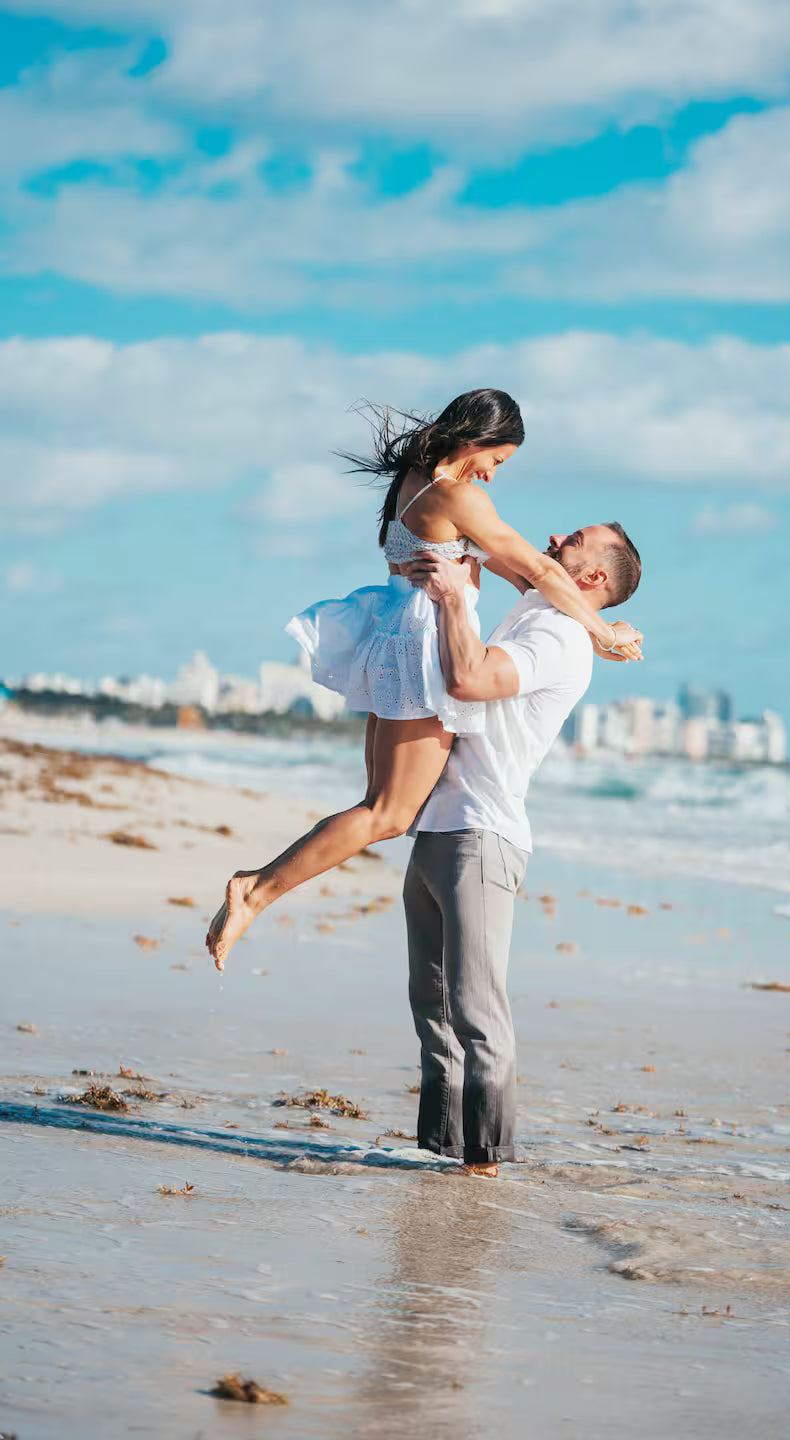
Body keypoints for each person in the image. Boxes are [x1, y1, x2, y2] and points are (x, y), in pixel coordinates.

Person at [205, 389, 641, 968]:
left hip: (394, 636)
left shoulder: (416, 479)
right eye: (498, 460)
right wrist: (606, 635)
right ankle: (254, 890)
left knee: (379, 805)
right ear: (476, 439)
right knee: (388, 813)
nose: (492, 473)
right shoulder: (458, 495)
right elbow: (536, 569)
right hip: (422, 647)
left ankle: (256, 889)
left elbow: (528, 579)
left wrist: (592, 629)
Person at [400, 522, 642, 1176]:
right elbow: (499, 541)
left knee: (477, 1008)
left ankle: (484, 1162)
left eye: (578, 537)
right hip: (440, 825)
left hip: (482, 834)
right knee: (433, 1005)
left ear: (593, 577)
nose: (558, 533)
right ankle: (445, 1151)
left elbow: (473, 680)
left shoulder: (560, 636)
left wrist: (455, 599)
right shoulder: (544, 604)